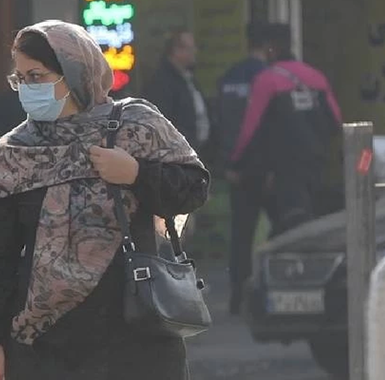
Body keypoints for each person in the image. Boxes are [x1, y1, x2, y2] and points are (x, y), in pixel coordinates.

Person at [0, 20, 210, 380]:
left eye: (36, 76)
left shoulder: (135, 126)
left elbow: (194, 188)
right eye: (19, 79)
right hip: (43, 344)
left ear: (75, 73)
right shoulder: (15, 151)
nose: (26, 88)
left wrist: (136, 174)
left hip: (133, 336)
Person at [228, 23, 342, 236]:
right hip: (316, 168)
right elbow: (336, 121)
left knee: (281, 229)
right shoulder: (315, 76)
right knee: (308, 228)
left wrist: (236, 163)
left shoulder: (267, 80)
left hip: (282, 173)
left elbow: (250, 129)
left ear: (271, 48)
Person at [217, 22, 277, 315]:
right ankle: (272, 292)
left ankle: (237, 293)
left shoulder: (229, 77)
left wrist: (228, 163)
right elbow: (268, 128)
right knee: (280, 229)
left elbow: (222, 125)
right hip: (263, 171)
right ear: (268, 47)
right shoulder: (268, 78)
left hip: (237, 170)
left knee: (241, 232)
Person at [143, 29, 211, 151]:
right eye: (190, 48)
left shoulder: (189, 79)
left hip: (197, 151)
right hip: (178, 155)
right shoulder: (162, 83)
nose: (195, 52)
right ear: (176, 51)